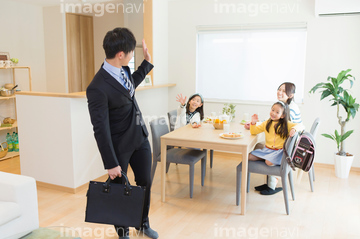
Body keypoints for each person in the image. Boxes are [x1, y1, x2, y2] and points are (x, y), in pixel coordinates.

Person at [86, 28, 158, 239]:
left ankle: (143, 223)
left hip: (140, 139)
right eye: (130, 52)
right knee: (119, 191)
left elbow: (129, 88)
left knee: (145, 183)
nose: (131, 55)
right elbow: (100, 128)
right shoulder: (97, 87)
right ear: (120, 54)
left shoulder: (124, 70)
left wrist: (146, 63)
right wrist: (110, 162)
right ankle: (122, 232)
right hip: (119, 147)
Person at [253, 82, 303, 194]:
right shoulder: (282, 106)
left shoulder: (290, 109)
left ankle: (273, 180)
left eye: (284, 91)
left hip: (290, 146)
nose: (280, 92)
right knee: (261, 146)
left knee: (265, 148)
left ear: (291, 95)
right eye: (279, 89)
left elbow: (288, 128)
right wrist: (255, 124)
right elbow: (271, 122)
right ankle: (271, 179)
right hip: (284, 143)